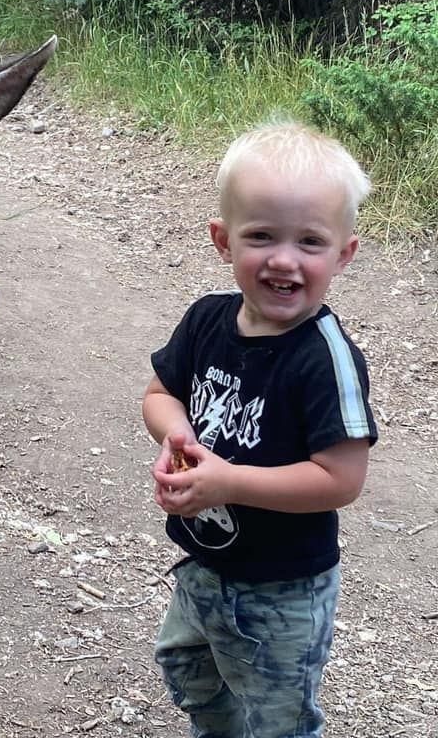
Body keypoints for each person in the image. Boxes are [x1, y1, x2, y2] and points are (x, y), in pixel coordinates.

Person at [142, 120, 377, 738]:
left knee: (277, 717)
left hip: (285, 591)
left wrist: (231, 483)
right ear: (223, 240)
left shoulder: (325, 359)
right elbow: (160, 394)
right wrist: (178, 436)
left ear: (343, 254)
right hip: (204, 565)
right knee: (188, 667)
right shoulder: (206, 321)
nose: (283, 259)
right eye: (262, 235)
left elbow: (340, 478)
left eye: (310, 242)